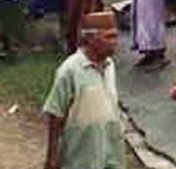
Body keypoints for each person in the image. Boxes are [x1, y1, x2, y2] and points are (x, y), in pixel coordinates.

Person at [42, 11, 127, 169]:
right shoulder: (70, 70)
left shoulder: (110, 66)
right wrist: (52, 158)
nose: (115, 42)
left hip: (111, 152)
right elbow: (56, 115)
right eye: (108, 37)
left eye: (115, 36)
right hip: (80, 157)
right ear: (90, 39)